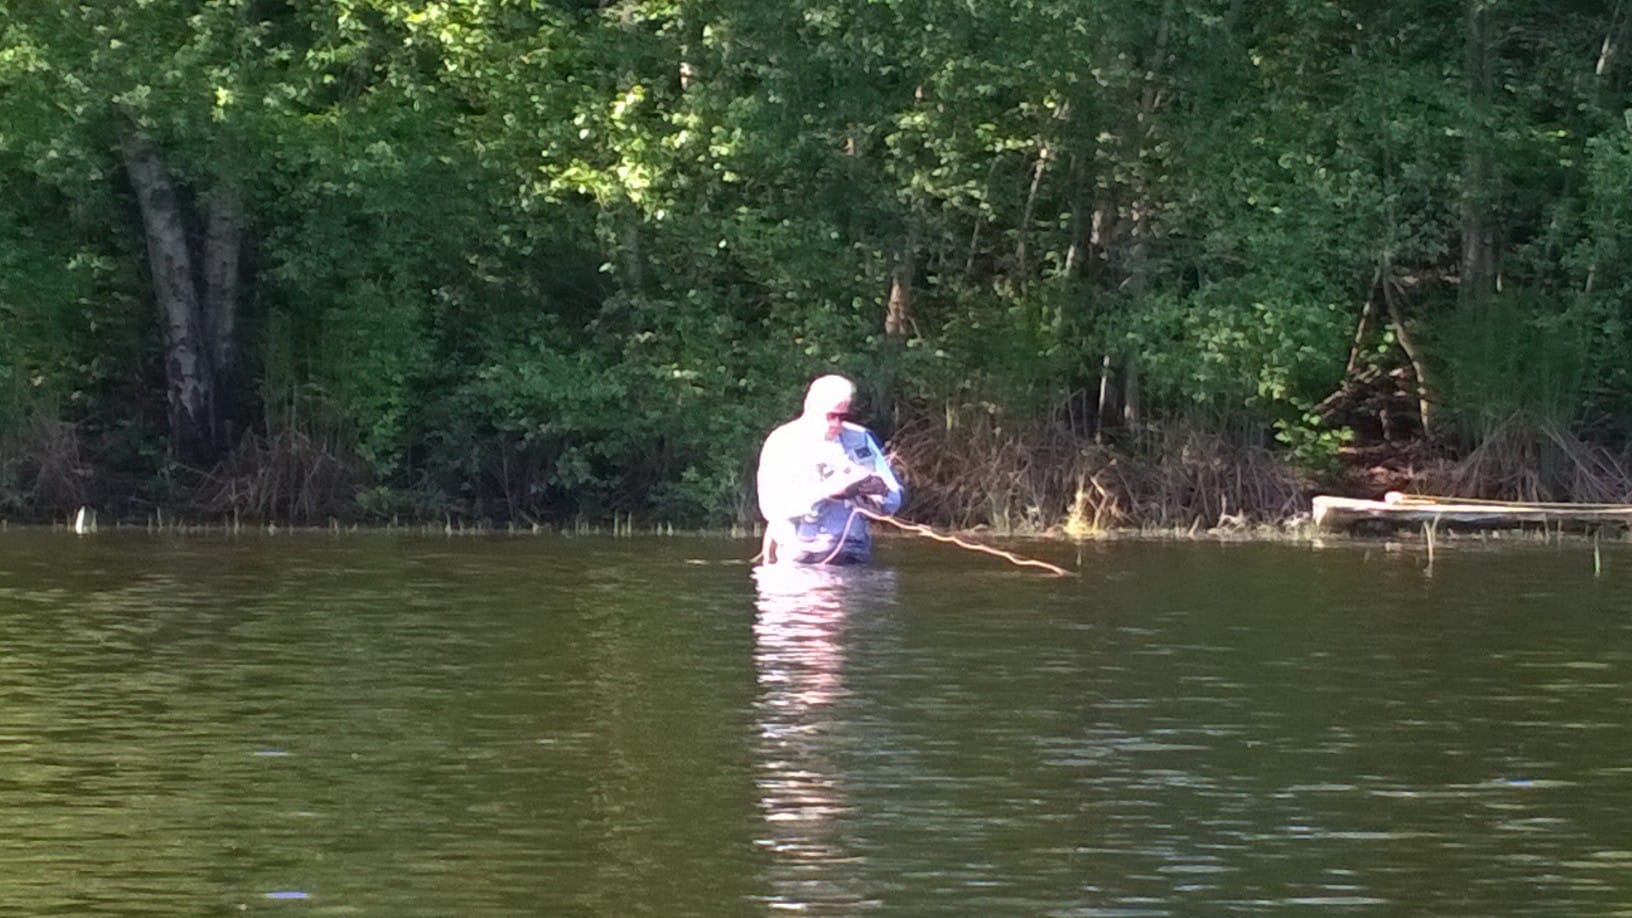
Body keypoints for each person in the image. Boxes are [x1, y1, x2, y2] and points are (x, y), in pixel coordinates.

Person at [756, 374, 905, 565]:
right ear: (810, 409)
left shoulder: (862, 438)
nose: (836, 424)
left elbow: (894, 499)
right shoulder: (782, 442)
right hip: (798, 556)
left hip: (853, 553)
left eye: (843, 417)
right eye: (830, 416)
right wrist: (828, 493)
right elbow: (772, 507)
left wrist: (879, 493)